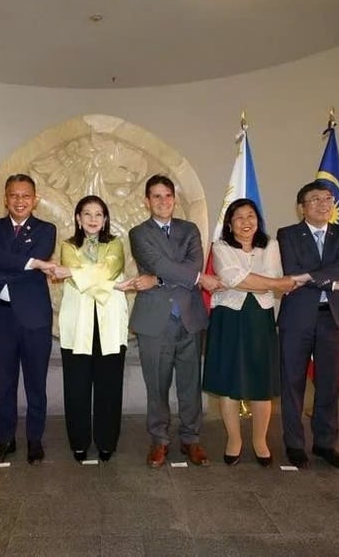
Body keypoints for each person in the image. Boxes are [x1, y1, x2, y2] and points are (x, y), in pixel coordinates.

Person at [128, 174, 223, 468]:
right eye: (156, 196)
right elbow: (160, 264)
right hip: (155, 320)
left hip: (190, 318)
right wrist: (192, 278)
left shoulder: (190, 229)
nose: (163, 201)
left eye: (167, 195)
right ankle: (159, 440)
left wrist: (157, 279)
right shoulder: (138, 233)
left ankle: (191, 439)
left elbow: (192, 263)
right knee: (156, 385)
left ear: (174, 198)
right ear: (147, 201)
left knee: (190, 384)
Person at [277, 180, 339, 470]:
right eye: (316, 199)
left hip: (332, 318)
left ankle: (325, 443)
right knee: (292, 383)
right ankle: (294, 444)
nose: (324, 204)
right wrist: (337, 282)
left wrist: (313, 279)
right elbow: (292, 270)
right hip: (297, 317)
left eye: (327, 198)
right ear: (302, 207)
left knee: (329, 385)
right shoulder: (288, 234)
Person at [202, 198, 296, 467]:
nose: (246, 222)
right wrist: (271, 283)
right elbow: (234, 278)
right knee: (229, 382)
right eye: (239, 217)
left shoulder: (272, 246)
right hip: (228, 318)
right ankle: (234, 440)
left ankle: (260, 441)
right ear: (230, 225)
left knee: (261, 382)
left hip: (260, 318)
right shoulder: (220, 247)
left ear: (258, 220)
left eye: (251, 216)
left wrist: (253, 281)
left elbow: (264, 278)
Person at [48, 196, 133, 463]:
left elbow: (109, 268)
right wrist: (114, 285)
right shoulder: (68, 245)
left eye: (99, 214)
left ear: (105, 219)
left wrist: (74, 272)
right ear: (78, 218)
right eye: (87, 214)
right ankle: (79, 442)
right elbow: (85, 278)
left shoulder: (116, 244)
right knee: (77, 387)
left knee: (109, 386)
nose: (93, 219)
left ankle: (107, 442)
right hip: (78, 324)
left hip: (109, 324)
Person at [0, 174, 57, 466]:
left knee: (36, 382)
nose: (20, 201)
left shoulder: (46, 229)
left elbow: (5, 262)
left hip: (34, 316)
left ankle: (34, 440)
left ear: (34, 199)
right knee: (4, 383)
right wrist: (32, 264)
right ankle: (5, 440)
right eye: (14, 195)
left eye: (26, 196)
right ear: (5, 198)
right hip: (0, 315)